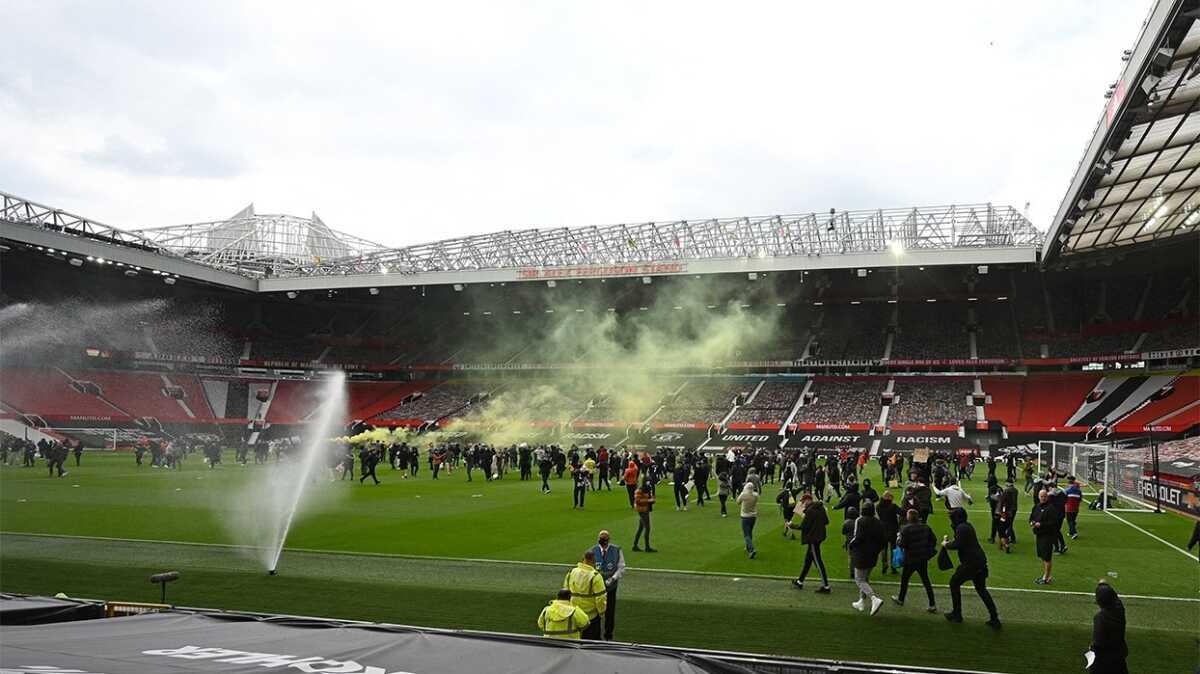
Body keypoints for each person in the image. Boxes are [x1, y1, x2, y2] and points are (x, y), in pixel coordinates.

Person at [941, 507, 1001, 628]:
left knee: (954, 583)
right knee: (981, 589)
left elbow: (957, 544)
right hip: (979, 562)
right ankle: (994, 618)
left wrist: (946, 544)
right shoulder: (966, 526)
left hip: (970, 563)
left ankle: (957, 614)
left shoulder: (961, 528)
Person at [892, 509, 937, 613]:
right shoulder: (926, 527)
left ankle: (901, 599)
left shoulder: (905, 529)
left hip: (911, 559)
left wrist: (898, 539)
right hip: (922, 558)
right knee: (926, 581)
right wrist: (927, 551)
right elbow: (933, 540)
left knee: (905, 579)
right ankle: (932, 604)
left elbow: (902, 544)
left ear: (909, 517)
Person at [848, 500, 885, 616]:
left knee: (859, 579)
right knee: (865, 578)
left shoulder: (860, 521)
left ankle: (874, 598)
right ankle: (861, 601)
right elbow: (883, 541)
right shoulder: (879, 522)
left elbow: (857, 537)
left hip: (861, 554)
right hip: (873, 555)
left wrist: (851, 545)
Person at [789, 493, 831, 593]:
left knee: (818, 562)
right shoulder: (821, 508)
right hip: (819, 536)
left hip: (813, 539)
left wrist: (791, 525)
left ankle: (826, 586)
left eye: (803, 501)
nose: (803, 504)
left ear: (808, 500)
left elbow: (803, 526)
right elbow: (826, 521)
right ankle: (800, 581)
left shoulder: (810, 511)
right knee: (808, 561)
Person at [562, 550, 607, 640]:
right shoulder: (595, 576)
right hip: (591, 616)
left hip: (574, 614)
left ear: (583, 559)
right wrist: (601, 613)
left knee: (574, 641)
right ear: (594, 560)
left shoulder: (571, 572)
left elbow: (565, 593)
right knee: (592, 642)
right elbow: (600, 598)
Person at [592, 530, 625, 641]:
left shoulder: (616, 550)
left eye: (604, 539)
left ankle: (608, 635)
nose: (602, 542)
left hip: (611, 587)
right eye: (601, 539)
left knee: (610, 611)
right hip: (596, 587)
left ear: (608, 540)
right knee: (595, 611)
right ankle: (596, 634)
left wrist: (613, 578)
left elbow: (621, 567)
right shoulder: (593, 551)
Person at [1089, 582, 1128, 673]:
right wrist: (1104, 585)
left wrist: (1091, 648)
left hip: (1103, 662)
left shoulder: (1100, 618)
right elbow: (1116, 598)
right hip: (1119, 656)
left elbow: (1098, 643)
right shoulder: (1119, 611)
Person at [1030, 489, 1059, 585]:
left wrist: (1041, 524)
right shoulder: (1036, 507)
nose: (1043, 498)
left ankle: (1046, 577)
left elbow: (1053, 523)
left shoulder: (1051, 508)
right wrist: (1032, 523)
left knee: (1047, 557)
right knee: (1042, 555)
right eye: (1041, 496)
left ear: (1047, 497)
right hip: (1039, 534)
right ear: (1039, 497)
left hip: (1047, 535)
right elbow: (1032, 517)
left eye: (1044, 496)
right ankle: (1047, 575)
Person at [876, 491, 901, 574]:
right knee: (893, 549)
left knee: (884, 549)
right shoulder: (893, 506)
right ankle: (893, 567)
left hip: (882, 529)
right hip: (893, 529)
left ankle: (884, 564)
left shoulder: (878, 506)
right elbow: (902, 512)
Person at [736, 481, 759, 559]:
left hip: (745, 516)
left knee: (746, 534)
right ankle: (748, 546)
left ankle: (751, 549)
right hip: (753, 516)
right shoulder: (755, 495)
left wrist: (742, 492)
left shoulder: (743, 494)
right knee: (750, 532)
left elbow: (737, 502)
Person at [632, 483, 656, 552]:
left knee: (640, 528)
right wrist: (649, 500)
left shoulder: (647, 490)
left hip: (645, 509)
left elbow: (649, 497)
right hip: (642, 510)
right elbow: (638, 501)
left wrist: (652, 499)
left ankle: (635, 545)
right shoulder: (639, 491)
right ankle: (647, 547)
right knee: (647, 528)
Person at [1064, 475, 1083, 539]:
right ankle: (1070, 532)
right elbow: (1080, 499)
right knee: (1073, 520)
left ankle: (1074, 533)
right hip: (1076, 508)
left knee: (1070, 521)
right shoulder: (1079, 491)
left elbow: (1064, 499)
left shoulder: (1067, 490)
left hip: (1069, 508)